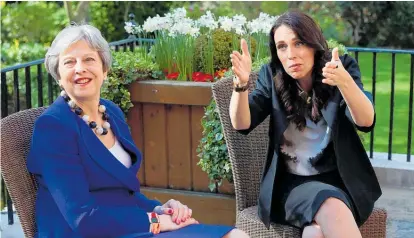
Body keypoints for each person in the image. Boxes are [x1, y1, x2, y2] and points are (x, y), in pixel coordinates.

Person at [27, 23, 249, 238]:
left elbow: (124, 192)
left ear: (104, 70)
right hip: (81, 232)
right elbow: (82, 217)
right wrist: (155, 221)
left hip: (127, 225)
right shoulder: (53, 127)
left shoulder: (111, 112)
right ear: (58, 77)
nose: (80, 68)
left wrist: (161, 209)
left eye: (89, 59)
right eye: (69, 62)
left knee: (236, 235)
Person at [229, 11, 382, 238]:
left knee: (315, 233)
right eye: (282, 46)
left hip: (341, 181)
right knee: (330, 204)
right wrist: (240, 86)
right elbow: (242, 124)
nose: (290, 54)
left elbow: (365, 121)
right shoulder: (271, 75)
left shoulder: (340, 68)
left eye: (298, 43)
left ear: (314, 44)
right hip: (290, 186)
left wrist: (345, 83)